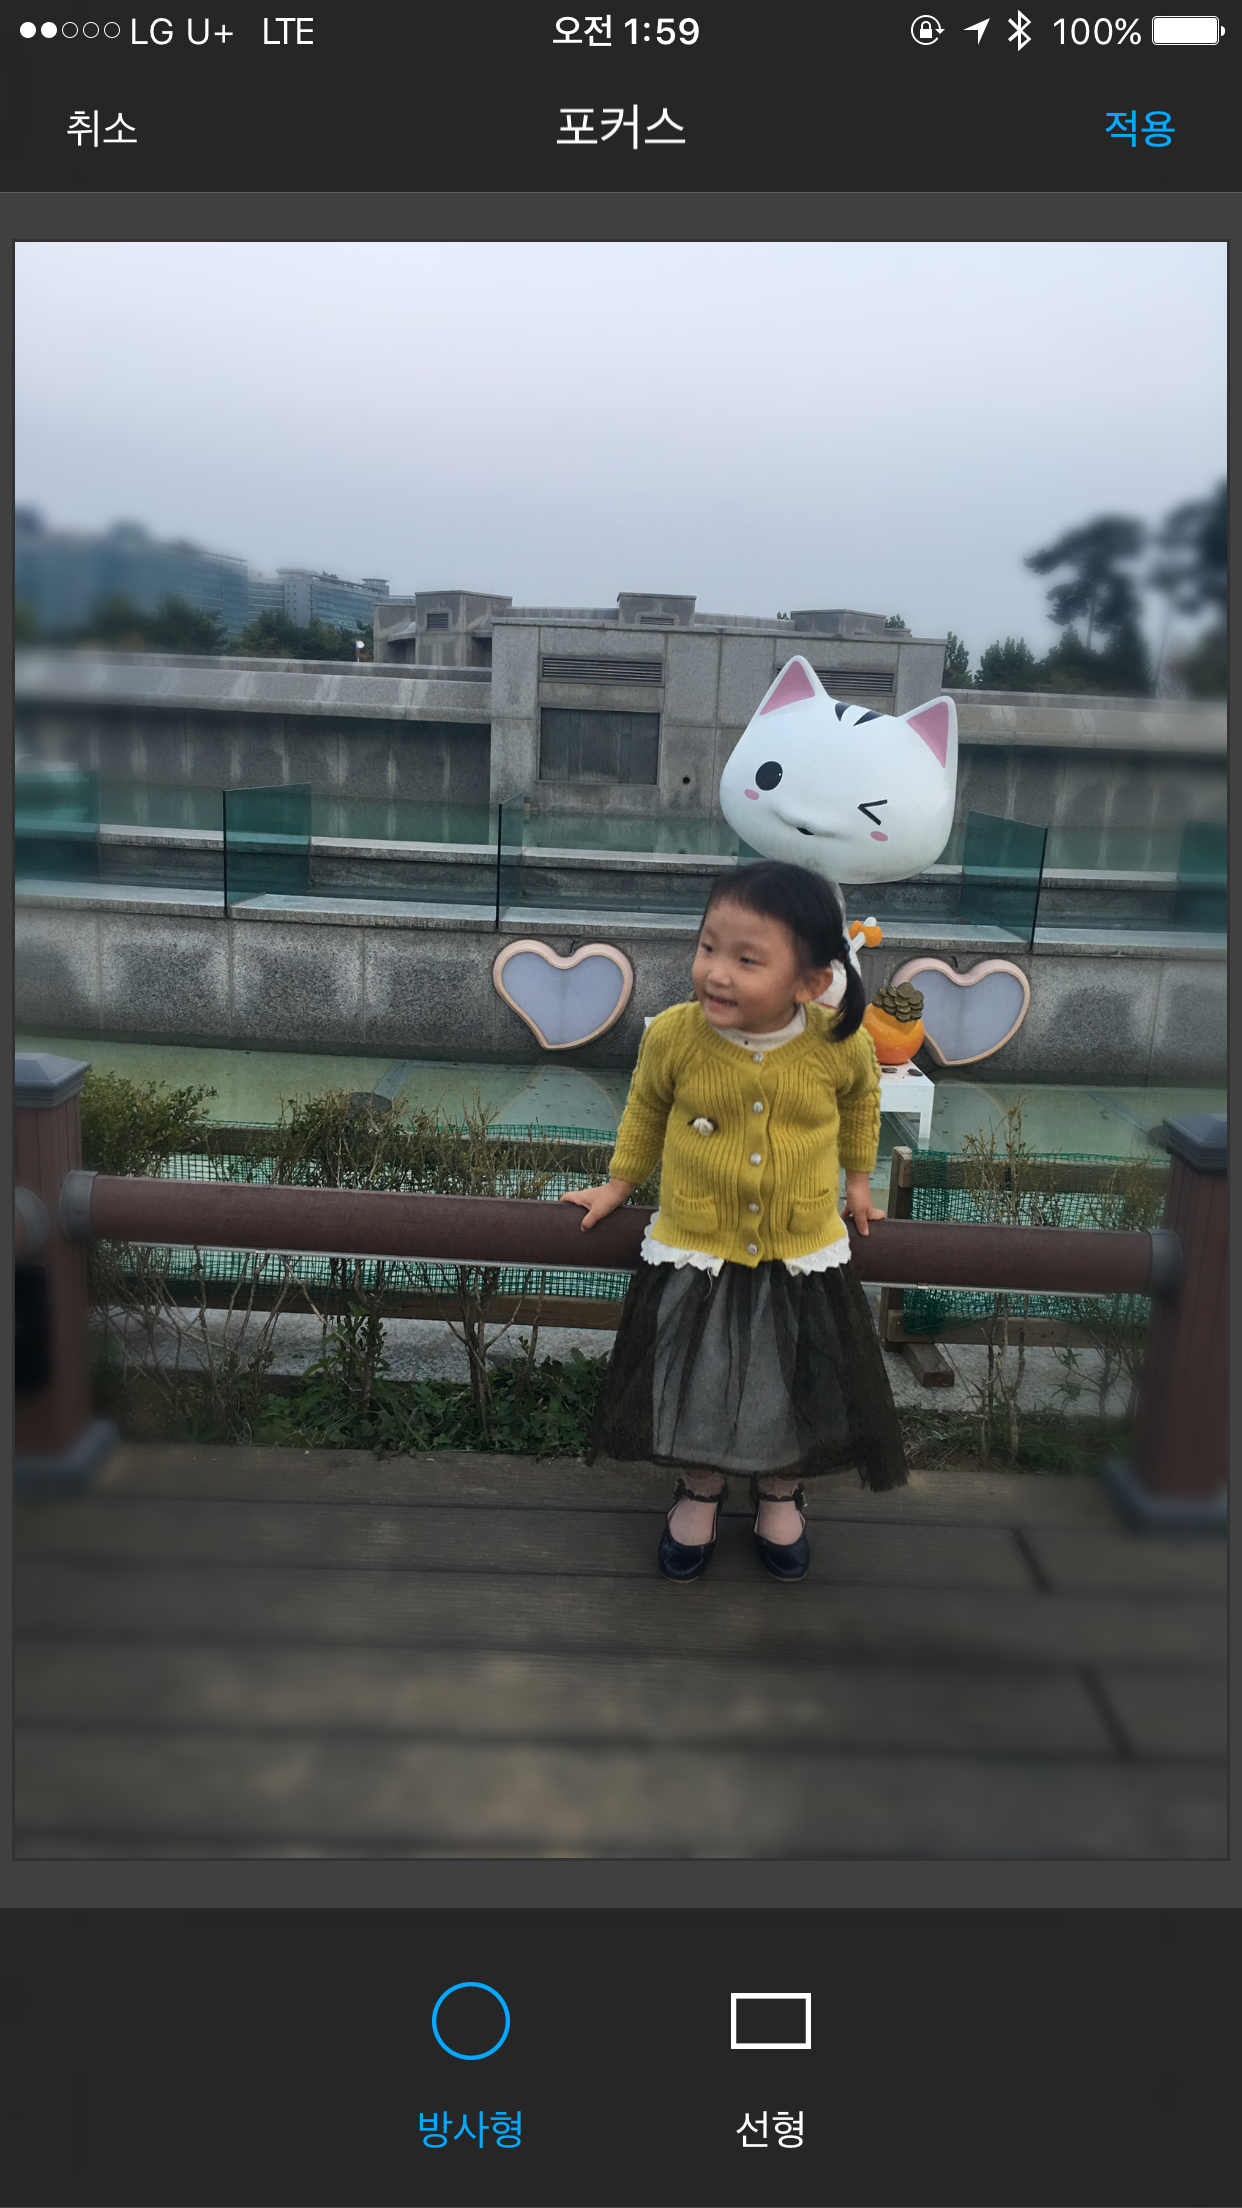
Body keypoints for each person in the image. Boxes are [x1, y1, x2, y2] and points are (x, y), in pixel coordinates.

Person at [560, 858, 907, 1582]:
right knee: (698, 1380)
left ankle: (780, 1491)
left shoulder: (838, 1043)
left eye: (747, 960)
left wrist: (858, 1183)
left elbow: (861, 1104)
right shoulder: (675, 1035)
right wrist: (619, 1185)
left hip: (800, 1250)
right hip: (698, 1247)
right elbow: (646, 1108)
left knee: (790, 1379)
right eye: (708, 947)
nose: (716, 972)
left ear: (809, 981)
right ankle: (699, 1488)